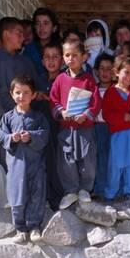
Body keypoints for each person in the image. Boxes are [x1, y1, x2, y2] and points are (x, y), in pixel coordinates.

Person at [49, 41, 101, 209]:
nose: (71, 59)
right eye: (67, 55)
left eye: (75, 55)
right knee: (66, 159)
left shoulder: (89, 80)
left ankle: (85, 189)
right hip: (66, 128)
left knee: (88, 159)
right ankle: (70, 190)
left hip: (84, 127)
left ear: (83, 57)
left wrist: (85, 115)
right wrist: (62, 112)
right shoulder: (60, 79)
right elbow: (53, 100)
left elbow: (96, 102)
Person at [0, 76, 50, 243]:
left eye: (26, 92)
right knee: (17, 195)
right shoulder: (7, 118)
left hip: (36, 165)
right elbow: (1, 136)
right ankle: (20, 228)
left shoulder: (39, 117)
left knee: (36, 194)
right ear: (12, 95)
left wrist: (31, 136)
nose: (22, 96)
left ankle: (34, 226)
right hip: (16, 166)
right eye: (18, 92)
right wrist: (12, 138)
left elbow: (44, 135)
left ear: (34, 95)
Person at [0, 17, 39, 166]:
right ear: (7, 34)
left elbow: (36, 90)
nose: (23, 37)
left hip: (26, 121)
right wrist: (8, 117)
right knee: (6, 163)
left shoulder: (26, 62)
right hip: (2, 121)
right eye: (19, 33)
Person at [102, 55, 130, 201]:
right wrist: (124, 117)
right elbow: (107, 114)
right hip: (118, 134)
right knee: (115, 164)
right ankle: (111, 193)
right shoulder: (110, 92)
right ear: (116, 72)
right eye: (126, 72)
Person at [40, 42, 65, 210]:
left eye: (55, 57)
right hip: (42, 129)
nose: (51, 61)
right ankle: (46, 196)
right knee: (45, 162)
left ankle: (60, 197)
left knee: (59, 163)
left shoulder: (65, 79)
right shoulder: (37, 81)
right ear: (42, 61)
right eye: (47, 57)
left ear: (62, 61)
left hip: (61, 128)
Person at [93, 53, 115, 198]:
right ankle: (99, 189)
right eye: (102, 69)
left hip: (114, 128)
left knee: (112, 158)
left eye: (109, 69)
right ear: (96, 71)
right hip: (96, 127)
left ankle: (112, 190)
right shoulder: (92, 89)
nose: (105, 72)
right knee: (99, 158)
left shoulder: (117, 90)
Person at [23, 7, 61, 77]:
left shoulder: (62, 49)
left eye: (45, 23)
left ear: (54, 28)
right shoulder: (28, 50)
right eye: (38, 24)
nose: (41, 28)